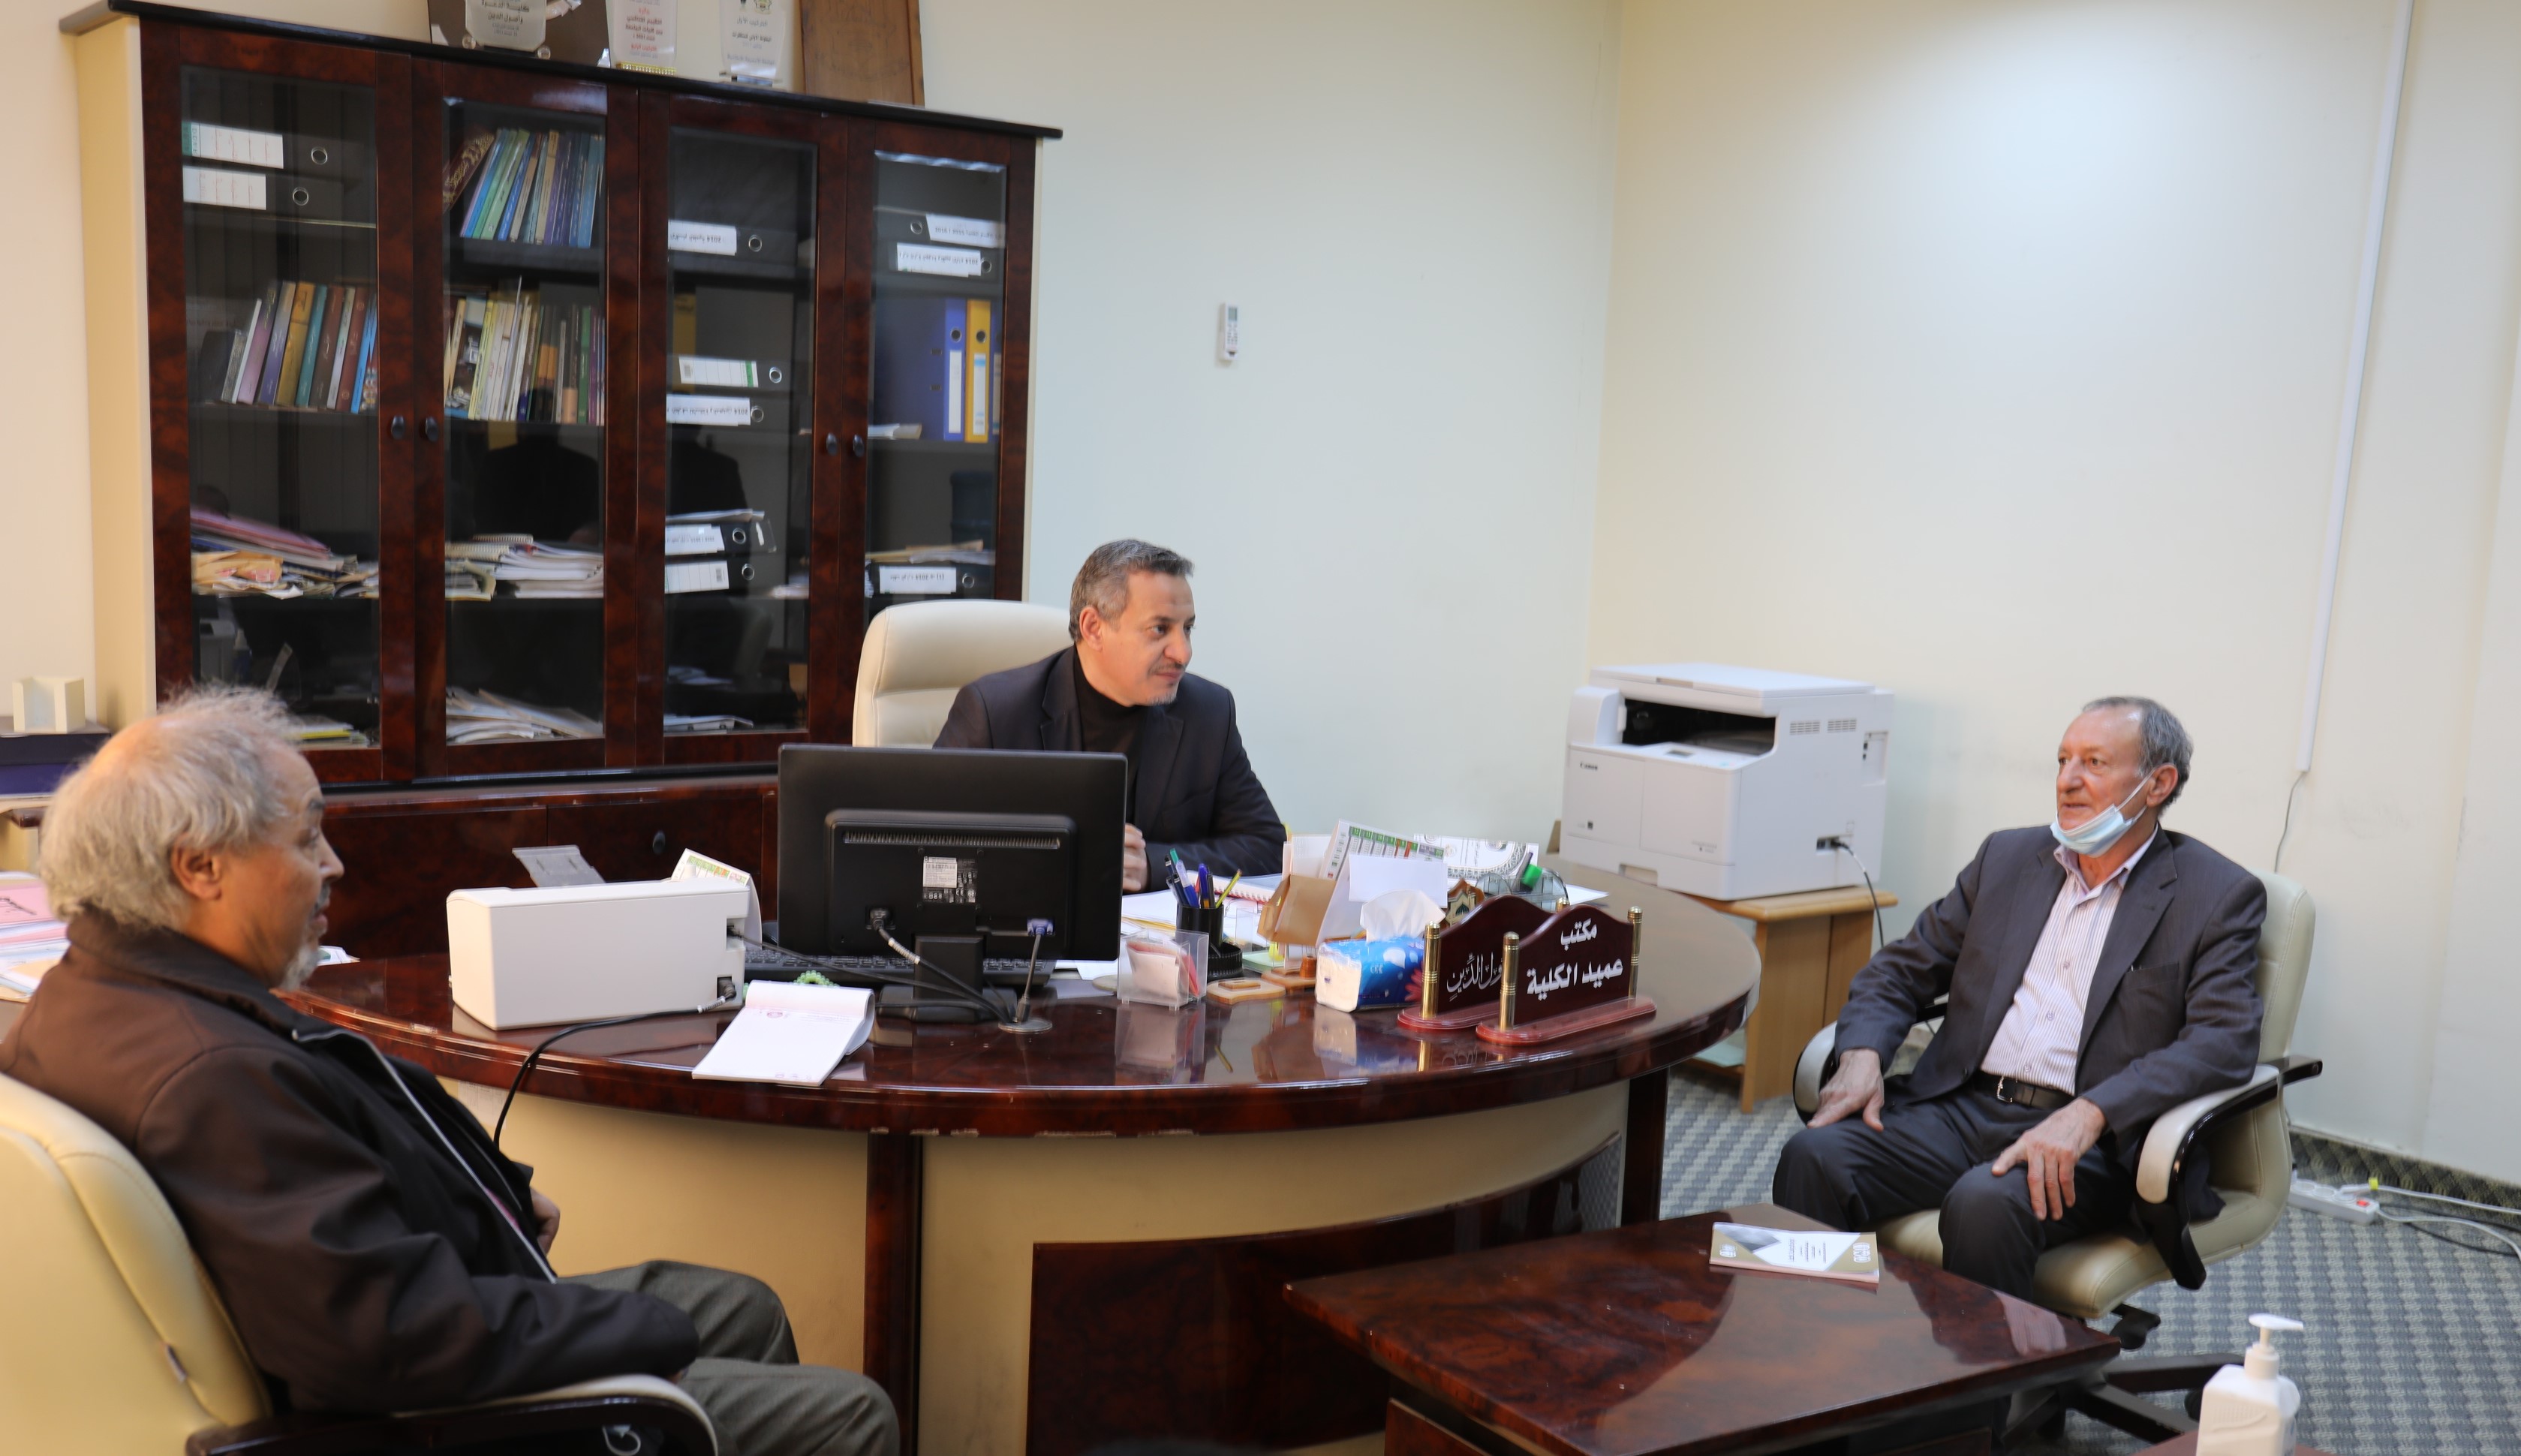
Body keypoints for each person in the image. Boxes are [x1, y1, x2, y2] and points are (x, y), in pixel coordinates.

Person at [0, 690, 894, 1456]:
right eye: (307, 837)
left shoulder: (86, 997)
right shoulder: (212, 1078)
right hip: (426, 1403)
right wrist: (650, 1333)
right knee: (847, 1410)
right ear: (199, 866)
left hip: (410, 1299)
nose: (332, 864)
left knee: (740, 1305)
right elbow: (384, 1339)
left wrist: (489, 1188)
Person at [1771, 696, 2264, 1301]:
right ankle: (1818, 1342)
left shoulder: (2215, 894)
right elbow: (1900, 970)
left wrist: (2091, 1112)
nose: (2067, 780)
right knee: (1814, 1157)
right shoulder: (2006, 860)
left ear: (2157, 784)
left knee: (1983, 1203)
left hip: (2092, 1140)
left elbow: (2222, 1041)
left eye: (2093, 763)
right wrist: (1861, 1055)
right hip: (1959, 1107)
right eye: (2062, 760)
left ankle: (1977, 1368)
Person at [935, 539, 1284, 892]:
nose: (1183, 653)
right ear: (1093, 628)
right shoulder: (995, 712)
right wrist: (1065, 861)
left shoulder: (1208, 712)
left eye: (1187, 628)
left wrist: (1152, 866)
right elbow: (931, 848)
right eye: (1160, 629)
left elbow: (1267, 846)